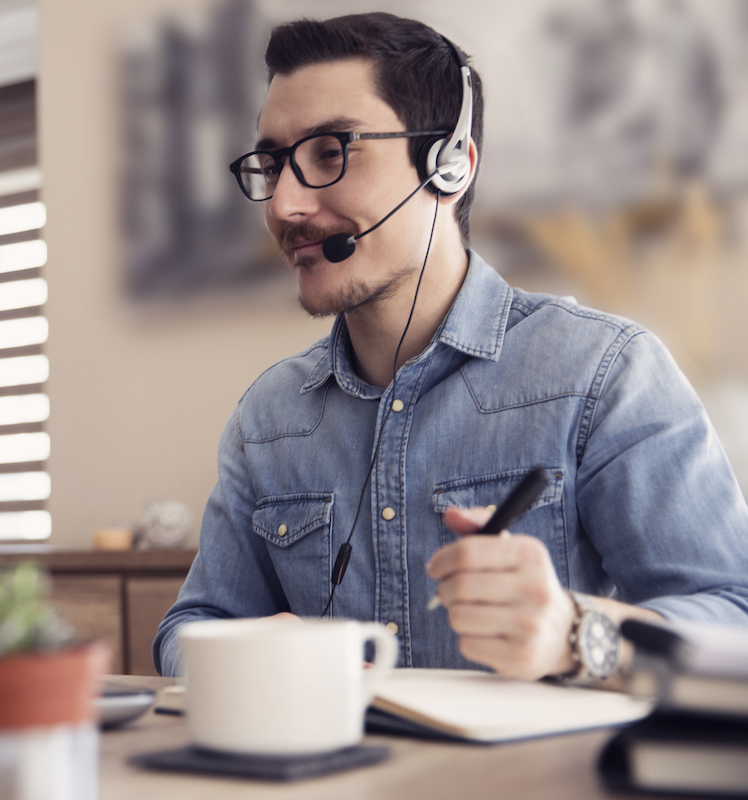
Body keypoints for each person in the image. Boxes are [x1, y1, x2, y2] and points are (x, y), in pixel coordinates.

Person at [153, 12, 748, 682]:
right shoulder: (269, 417)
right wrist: (242, 650)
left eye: (330, 152)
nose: (285, 205)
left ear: (449, 165)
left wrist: (576, 635)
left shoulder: (605, 373)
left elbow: (735, 616)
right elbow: (187, 630)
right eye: (272, 163)